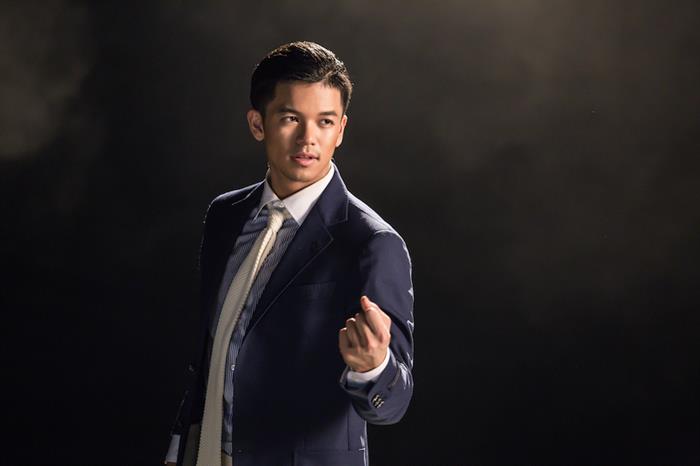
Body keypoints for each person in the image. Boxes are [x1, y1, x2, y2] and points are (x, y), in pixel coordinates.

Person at [165, 41, 414, 466]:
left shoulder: (371, 242)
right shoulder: (225, 216)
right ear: (257, 123)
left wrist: (373, 367)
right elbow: (212, 354)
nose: (307, 138)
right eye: (290, 118)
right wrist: (180, 449)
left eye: (325, 121)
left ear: (341, 130)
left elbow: (394, 402)